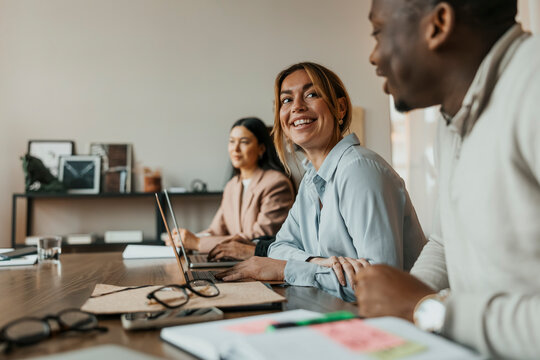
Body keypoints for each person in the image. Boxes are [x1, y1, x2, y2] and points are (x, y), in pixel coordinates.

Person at [355, 0, 540, 358]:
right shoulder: (450, 117)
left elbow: (426, 308)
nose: (373, 57)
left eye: (378, 32)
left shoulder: (532, 87)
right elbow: (444, 242)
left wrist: (425, 309)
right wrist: (396, 308)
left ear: (438, 24)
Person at [216, 62, 426, 301]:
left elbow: (379, 284)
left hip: (393, 323)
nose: (296, 107)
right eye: (286, 100)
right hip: (341, 313)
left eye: (311, 94)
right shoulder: (311, 180)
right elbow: (277, 247)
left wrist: (287, 269)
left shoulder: (358, 169)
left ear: (340, 108)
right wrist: (319, 262)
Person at [166, 117, 295, 256]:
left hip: (262, 264)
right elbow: (216, 230)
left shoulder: (276, 183)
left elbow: (258, 238)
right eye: (232, 142)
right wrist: (184, 240)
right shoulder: (232, 185)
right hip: (233, 260)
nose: (235, 148)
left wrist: (198, 243)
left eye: (244, 142)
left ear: (261, 148)